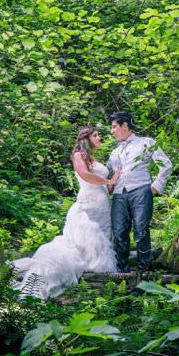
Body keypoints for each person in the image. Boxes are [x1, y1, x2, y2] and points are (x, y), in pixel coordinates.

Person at [9, 126, 122, 300]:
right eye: (96, 135)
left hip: (103, 202)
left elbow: (106, 185)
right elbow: (84, 175)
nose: (100, 138)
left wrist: (116, 179)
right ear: (86, 138)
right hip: (89, 203)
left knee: (104, 234)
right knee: (87, 235)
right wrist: (109, 179)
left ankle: (98, 265)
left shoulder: (92, 158)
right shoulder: (78, 155)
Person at [107, 111, 172, 274]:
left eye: (114, 127)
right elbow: (108, 174)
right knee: (119, 231)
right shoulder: (114, 153)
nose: (112, 131)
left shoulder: (146, 142)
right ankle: (122, 273)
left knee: (141, 230)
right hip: (119, 195)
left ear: (125, 125)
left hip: (141, 191)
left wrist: (156, 185)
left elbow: (166, 164)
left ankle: (144, 272)